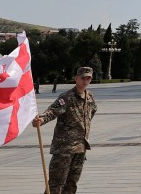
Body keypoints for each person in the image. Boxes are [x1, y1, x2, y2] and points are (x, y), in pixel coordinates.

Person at [33, 66, 98, 194]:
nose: (85, 81)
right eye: (83, 78)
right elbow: (52, 111)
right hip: (64, 149)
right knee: (55, 184)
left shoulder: (89, 97)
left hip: (80, 148)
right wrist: (41, 119)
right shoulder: (67, 97)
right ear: (76, 79)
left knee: (71, 183)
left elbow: (92, 112)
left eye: (88, 78)